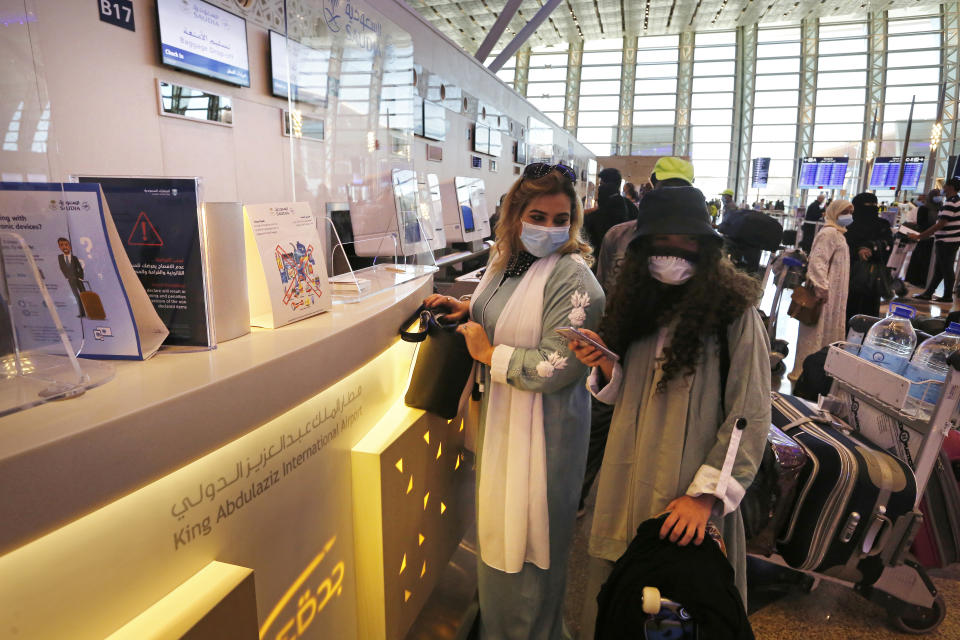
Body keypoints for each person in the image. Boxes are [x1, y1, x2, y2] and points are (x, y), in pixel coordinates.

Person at [570, 186, 769, 637]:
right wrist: (605, 366)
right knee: (621, 600)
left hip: (690, 490)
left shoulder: (733, 314)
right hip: (626, 479)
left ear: (707, 246)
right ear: (643, 248)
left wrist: (705, 498)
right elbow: (628, 397)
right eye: (663, 241)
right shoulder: (636, 304)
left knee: (687, 607)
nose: (674, 251)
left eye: (687, 240)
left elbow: (749, 412)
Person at [425, 162, 604, 640]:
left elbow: (556, 363)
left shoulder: (574, 280)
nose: (549, 228)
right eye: (538, 216)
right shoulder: (507, 261)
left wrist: (489, 352)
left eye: (560, 219)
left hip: (543, 433)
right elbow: (508, 310)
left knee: (528, 540)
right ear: (514, 214)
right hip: (504, 421)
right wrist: (468, 309)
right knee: (499, 533)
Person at [579, 157, 694, 515]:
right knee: (606, 420)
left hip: (653, 343)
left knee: (642, 426)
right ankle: (588, 497)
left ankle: (625, 503)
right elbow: (600, 288)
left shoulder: (694, 239)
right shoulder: (621, 233)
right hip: (624, 339)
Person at [788, 199, 853, 382]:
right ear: (834, 212)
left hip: (834, 294)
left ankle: (823, 371)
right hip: (825, 294)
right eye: (845, 212)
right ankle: (805, 372)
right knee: (815, 331)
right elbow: (818, 262)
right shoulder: (829, 233)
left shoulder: (839, 234)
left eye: (850, 212)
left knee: (827, 331)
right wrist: (822, 289)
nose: (849, 216)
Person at [845, 192, 893, 322]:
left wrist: (868, 247)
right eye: (868, 205)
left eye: (873, 205)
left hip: (860, 275)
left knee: (856, 308)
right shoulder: (882, 225)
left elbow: (889, 245)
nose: (871, 208)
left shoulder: (851, 226)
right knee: (866, 309)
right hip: (866, 276)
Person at [913, 179, 960, 303]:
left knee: (946, 268)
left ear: (950, 187)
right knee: (940, 269)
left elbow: (941, 224)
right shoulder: (954, 202)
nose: (943, 188)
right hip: (949, 239)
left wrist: (921, 235)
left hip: (947, 240)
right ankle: (929, 293)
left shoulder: (951, 203)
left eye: (945, 186)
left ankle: (947, 296)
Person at [583, 167, 634, 260]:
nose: (599, 187)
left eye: (601, 184)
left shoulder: (597, 215)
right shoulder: (630, 206)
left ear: (606, 185)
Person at [905, 188, 940, 287]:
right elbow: (922, 224)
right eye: (936, 195)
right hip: (924, 237)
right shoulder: (923, 209)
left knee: (930, 262)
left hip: (934, 238)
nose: (938, 197)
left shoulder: (941, 208)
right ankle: (916, 280)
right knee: (921, 259)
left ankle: (925, 281)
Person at [57, 237, 86, 317]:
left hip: (78, 279)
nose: (64, 247)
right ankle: (82, 313)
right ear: (59, 247)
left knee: (84, 294)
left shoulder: (74, 258)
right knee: (76, 296)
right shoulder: (60, 257)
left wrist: (81, 277)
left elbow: (80, 269)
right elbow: (62, 267)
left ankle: (89, 311)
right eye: (61, 245)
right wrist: (66, 277)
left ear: (70, 246)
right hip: (70, 280)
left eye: (66, 245)